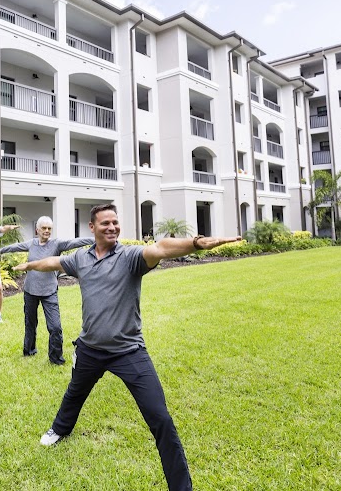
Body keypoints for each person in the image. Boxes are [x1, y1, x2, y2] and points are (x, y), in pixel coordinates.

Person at [14, 204, 241, 491]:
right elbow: (55, 262)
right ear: (92, 227)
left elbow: (159, 249)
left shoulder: (130, 256)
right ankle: (60, 428)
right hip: (89, 348)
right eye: (105, 223)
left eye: (116, 222)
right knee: (74, 393)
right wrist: (30, 265)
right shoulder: (81, 258)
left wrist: (195, 243)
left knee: (159, 417)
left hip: (128, 351)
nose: (112, 227)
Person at [0, 216, 92, 364]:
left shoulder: (57, 244)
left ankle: (55, 358)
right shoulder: (32, 244)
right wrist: (0, 250)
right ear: (37, 230)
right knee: (30, 323)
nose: (47, 231)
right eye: (44, 228)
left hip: (49, 292)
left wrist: (96, 239)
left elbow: (75, 242)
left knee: (55, 327)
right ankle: (29, 350)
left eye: (49, 228)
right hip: (30, 291)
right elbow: (15, 247)